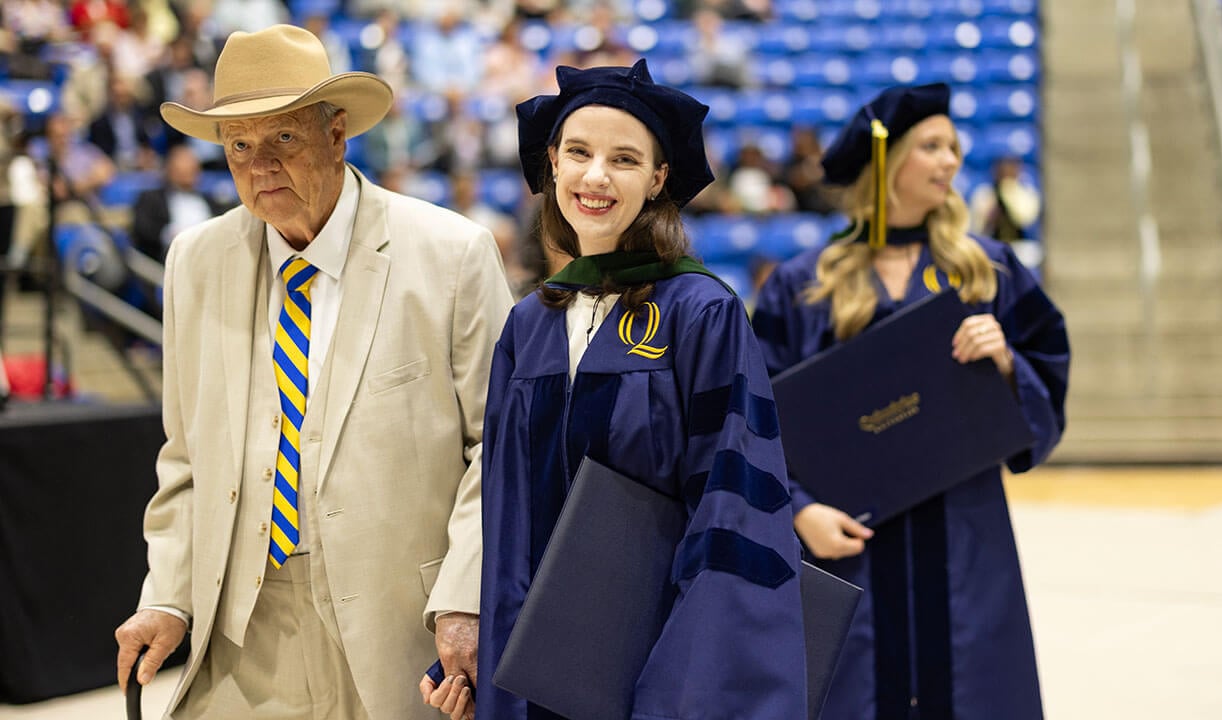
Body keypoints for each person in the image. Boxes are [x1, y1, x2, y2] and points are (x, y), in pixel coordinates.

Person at [112, 24, 513, 720]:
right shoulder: (194, 261)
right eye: (238, 146)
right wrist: (168, 597)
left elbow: (501, 448)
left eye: (282, 138)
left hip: (402, 627)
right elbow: (185, 458)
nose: (259, 165)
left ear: (337, 134)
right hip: (243, 632)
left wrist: (464, 599)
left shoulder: (453, 254)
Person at [472, 59, 808, 720]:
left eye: (624, 159)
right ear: (553, 165)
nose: (595, 176)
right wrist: (492, 660)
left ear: (657, 179)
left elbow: (731, 511)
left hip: (662, 669)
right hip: (537, 674)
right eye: (579, 153)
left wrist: (683, 689)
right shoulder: (529, 326)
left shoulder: (701, 314)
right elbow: (506, 521)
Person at [751, 83, 1070, 720]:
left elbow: (1047, 381)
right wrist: (798, 512)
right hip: (846, 547)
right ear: (887, 162)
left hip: (962, 534)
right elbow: (759, 419)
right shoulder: (805, 283)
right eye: (932, 146)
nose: (951, 161)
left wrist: (1008, 363)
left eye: (953, 147)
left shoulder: (988, 270)